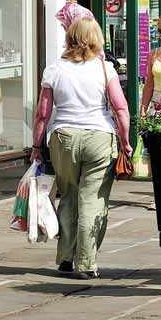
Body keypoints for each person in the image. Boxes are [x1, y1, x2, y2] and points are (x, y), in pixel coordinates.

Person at [31, 15, 131, 280]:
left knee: (69, 195)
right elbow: (121, 109)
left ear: (70, 38)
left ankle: (66, 257)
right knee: (93, 200)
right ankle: (86, 263)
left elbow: (42, 114)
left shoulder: (54, 69)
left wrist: (36, 146)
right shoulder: (105, 69)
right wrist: (126, 142)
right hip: (99, 137)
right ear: (96, 39)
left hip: (63, 138)